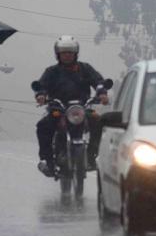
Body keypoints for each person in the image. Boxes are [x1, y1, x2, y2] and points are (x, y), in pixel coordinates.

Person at [33, 35, 109, 176]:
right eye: (64, 53)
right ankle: (47, 161)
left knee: (99, 121)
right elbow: (41, 85)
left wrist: (102, 92)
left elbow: (98, 81)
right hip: (58, 109)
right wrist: (41, 95)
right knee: (43, 126)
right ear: (58, 54)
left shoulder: (85, 68)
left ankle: (92, 156)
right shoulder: (51, 71)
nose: (67, 55)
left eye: (70, 52)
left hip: (82, 108)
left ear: (75, 53)